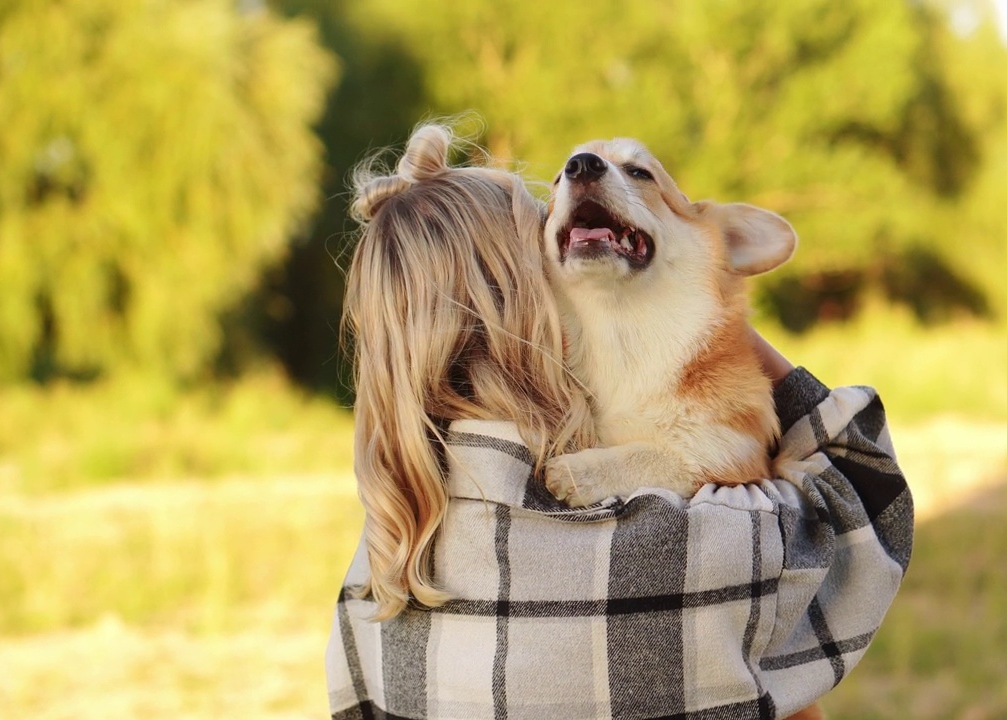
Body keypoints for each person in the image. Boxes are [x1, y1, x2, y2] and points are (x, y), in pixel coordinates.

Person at [327, 123, 914, 720]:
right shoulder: (688, 553)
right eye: (548, 206)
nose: (579, 172)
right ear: (526, 292)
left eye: (637, 173)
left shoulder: (380, 562)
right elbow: (863, 523)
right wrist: (715, 285)